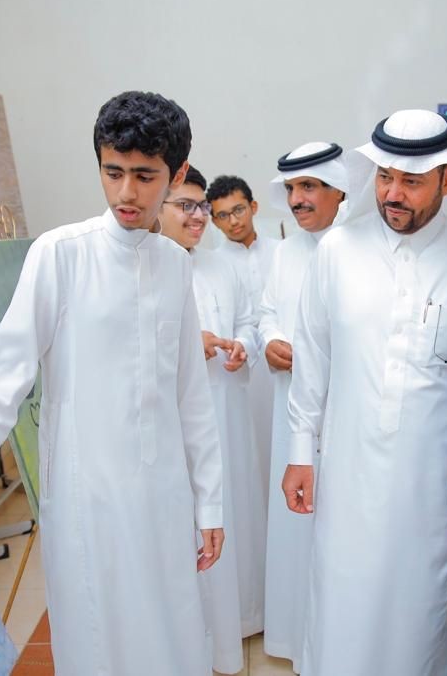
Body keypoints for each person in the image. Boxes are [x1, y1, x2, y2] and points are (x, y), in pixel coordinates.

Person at [0, 91, 224, 675]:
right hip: (86, 503)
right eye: (113, 172)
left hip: (164, 497)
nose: (126, 193)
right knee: (99, 650)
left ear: (177, 175)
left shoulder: (175, 265)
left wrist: (209, 502)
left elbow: (191, 396)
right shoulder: (60, 255)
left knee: (172, 643)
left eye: (144, 176)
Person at [282, 109, 447, 675]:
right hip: (348, 480)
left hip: (434, 495)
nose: (392, 194)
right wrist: (300, 452)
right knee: (343, 608)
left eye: (411, 181)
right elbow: (313, 359)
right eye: (384, 177)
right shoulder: (337, 251)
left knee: (421, 618)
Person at [159, 165, 265, 674]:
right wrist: (188, 343)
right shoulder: (146, 267)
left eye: (202, 206)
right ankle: (194, 637)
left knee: (232, 510)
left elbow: (247, 320)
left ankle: (237, 621)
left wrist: (241, 345)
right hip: (175, 426)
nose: (199, 217)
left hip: (228, 408)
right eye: (186, 206)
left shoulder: (222, 265)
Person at [258, 141, 347, 673]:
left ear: (341, 190)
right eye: (291, 188)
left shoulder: (359, 247)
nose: (296, 199)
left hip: (341, 413)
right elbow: (268, 311)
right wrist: (270, 340)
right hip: (288, 407)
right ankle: (294, 637)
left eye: (309, 186)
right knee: (295, 524)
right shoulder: (285, 252)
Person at [208, 175, 279, 495]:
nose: (233, 221)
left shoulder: (281, 251)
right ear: (213, 220)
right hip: (240, 372)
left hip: (281, 365)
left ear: (253, 207)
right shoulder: (214, 264)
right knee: (251, 455)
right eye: (223, 215)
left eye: (238, 210)